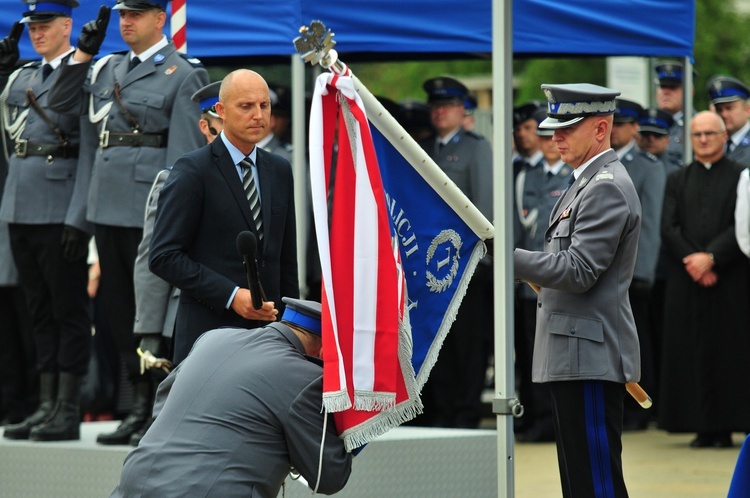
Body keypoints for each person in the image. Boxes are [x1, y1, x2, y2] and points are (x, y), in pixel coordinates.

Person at [46, 0, 210, 445]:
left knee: (151, 314)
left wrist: (175, 219)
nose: (125, 22)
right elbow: (63, 107)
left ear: (160, 19)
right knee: (119, 314)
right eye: (122, 15)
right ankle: (137, 405)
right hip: (105, 207)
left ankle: (156, 409)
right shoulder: (103, 69)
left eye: (135, 14)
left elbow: (183, 160)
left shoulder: (182, 72)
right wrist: (82, 54)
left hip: (148, 212)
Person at [514, 83, 641, 497]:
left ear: (602, 128)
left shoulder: (604, 185)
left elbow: (579, 270)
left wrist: (505, 256)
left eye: (567, 128)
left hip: (589, 354)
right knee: (581, 482)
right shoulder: (584, 181)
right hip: (575, 351)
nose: (555, 137)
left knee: (596, 485)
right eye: (553, 127)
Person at [110, 298, 352, 497]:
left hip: (131, 486)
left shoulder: (212, 339)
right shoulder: (306, 376)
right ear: (325, 352)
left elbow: (161, 404)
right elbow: (328, 476)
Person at [149, 69, 299, 365]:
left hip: (270, 336)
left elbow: (285, 259)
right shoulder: (193, 170)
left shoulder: (279, 170)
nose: (258, 115)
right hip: (209, 334)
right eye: (246, 106)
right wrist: (232, 295)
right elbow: (163, 256)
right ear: (221, 111)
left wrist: (291, 326)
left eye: (264, 105)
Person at [0, 0, 93, 442]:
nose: (36, 33)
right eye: (31, 26)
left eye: (44, 25)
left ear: (66, 26)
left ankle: (68, 407)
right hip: (21, 206)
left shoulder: (86, 74)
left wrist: (79, 217)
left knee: (67, 311)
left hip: (60, 207)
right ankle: (45, 403)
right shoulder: (22, 76)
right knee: (37, 311)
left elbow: (90, 149)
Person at [128, 80, 224, 446]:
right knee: (180, 429)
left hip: (247, 318)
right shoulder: (178, 177)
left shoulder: (270, 174)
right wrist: (149, 332)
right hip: (184, 318)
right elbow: (153, 260)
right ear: (207, 127)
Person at [659, 111, 750, 448]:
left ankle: (729, 423)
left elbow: (741, 226)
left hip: (730, 279)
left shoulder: (742, 176)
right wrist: (695, 263)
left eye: (710, 133)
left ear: (724, 136)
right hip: (688, 281)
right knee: (692, 350)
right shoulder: (677, 179)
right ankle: (700, 425)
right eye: (697, 135)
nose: (703, 140)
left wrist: (711, 258)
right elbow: (668, 227)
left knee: (730, 351)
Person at [416, 76, 493, 428]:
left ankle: (465, 411)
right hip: (431, 267)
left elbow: (485, 204)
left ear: (464, 111)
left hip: (466, 266)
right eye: (435, 106)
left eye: (447, 105)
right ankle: (442, 409)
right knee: (439, 342)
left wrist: (482, 258)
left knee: (468, 344)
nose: (440, 111)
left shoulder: (477, 149)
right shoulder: (424, 148)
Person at [513, 106, 572, 442]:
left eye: (557, 136)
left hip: (557, 281)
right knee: (527, 351)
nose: (552, 142)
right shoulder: (525, 176)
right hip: (528, 285)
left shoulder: (572, 179)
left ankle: (551, 420)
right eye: (546, 135)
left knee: (554, 355)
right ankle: (533, 414)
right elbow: (519, 231)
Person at [611, 98, 667, 431]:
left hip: (634, 274)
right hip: (606, 272)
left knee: (637, 342)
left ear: (635, 128)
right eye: (613, 123)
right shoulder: (603, 163)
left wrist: (642, 271)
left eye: (622, 124)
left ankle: (641, 407)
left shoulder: (647, 166)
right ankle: (622, 404)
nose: (616, 130)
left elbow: (650, 224)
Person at [654, 61, 691, 169]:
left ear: (690, 91)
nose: (666, 92)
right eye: (662, 86)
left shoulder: (697, 125)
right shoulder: (645, 123)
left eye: (673, 87)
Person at [707, 75, 750, 166]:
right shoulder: (711, 143)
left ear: (747, 110)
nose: (724, 115)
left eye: (729, 108)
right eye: (719, 109)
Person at [637, 107, 680, 175]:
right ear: (638, 137)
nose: (651, 139)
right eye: (646, 134)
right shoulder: (628, 164)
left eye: (657, 135)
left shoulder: (675, 168)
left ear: (667, 140)